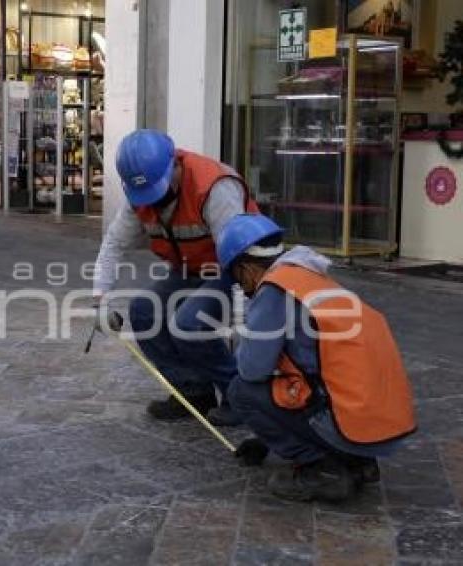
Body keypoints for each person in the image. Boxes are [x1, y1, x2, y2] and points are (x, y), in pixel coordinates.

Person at [216, 214, 417, 502]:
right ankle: (355, 460)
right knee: (294, 383)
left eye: (236, 278)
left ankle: (323, 470)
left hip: (348, 420)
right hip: (381, 423)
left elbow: (251, 369)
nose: (240, 287)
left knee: (241, 391)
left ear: (246, 269)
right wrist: (264, 441)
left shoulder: (274, 290)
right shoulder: (310, 277)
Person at [92, 129, 258, 424]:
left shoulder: (214, 189)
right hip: (189, 268)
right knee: (144, 312)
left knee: (189, 323)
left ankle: (240, 397)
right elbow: (114, 244)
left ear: (175, 165)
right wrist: (100, 300)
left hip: (233, 268)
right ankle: (193, 392)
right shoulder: (139, 197)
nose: (152, 201)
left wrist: (244, 322)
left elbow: (239, 257)